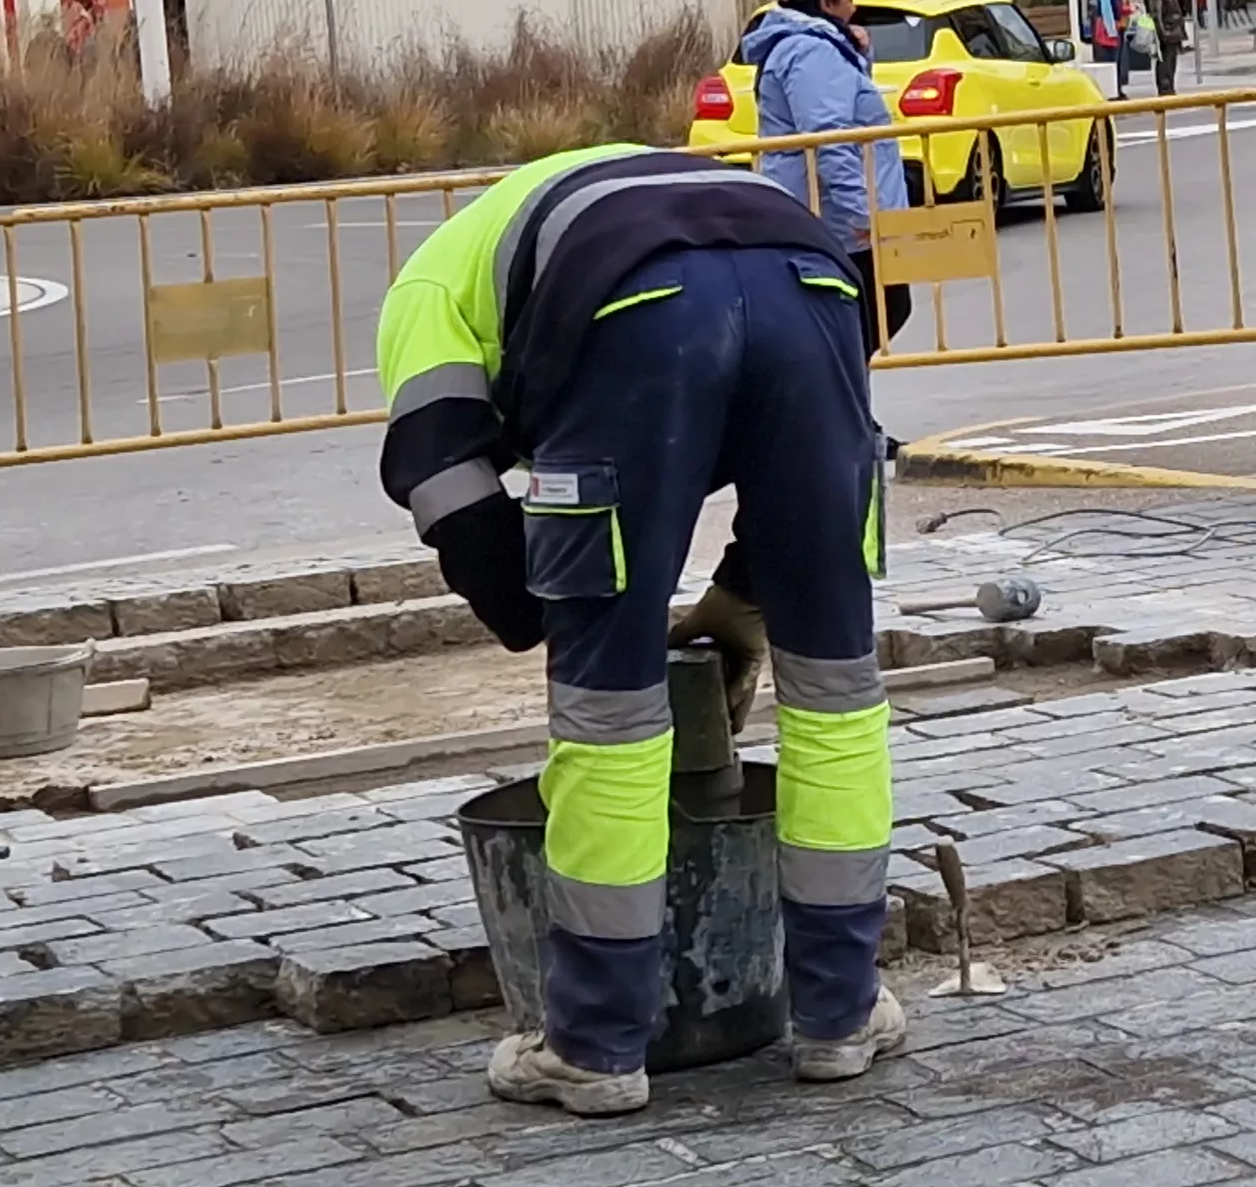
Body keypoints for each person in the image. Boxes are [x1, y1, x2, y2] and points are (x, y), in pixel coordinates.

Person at [375, 141, 902, 1116]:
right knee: (835, 684)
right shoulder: (629, 188)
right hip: (815, 281)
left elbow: (448, 478)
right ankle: (840, 1014)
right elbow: (794, 406)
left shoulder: (426, 286)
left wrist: (544, 607)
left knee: (608, 706)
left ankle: (592, 1045)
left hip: (634, 313)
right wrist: (750, 589)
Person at [739, 0, 912, 349]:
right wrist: (862, 213)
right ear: (825, 4)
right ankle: (840, 406)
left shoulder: (817, 46)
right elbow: (828, 134)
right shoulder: (810, 52)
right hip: (835, 216)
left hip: (828, 210)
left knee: (868, 317)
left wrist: (856, 52)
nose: (855, 5)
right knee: (872, 313)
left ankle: (847, 405)